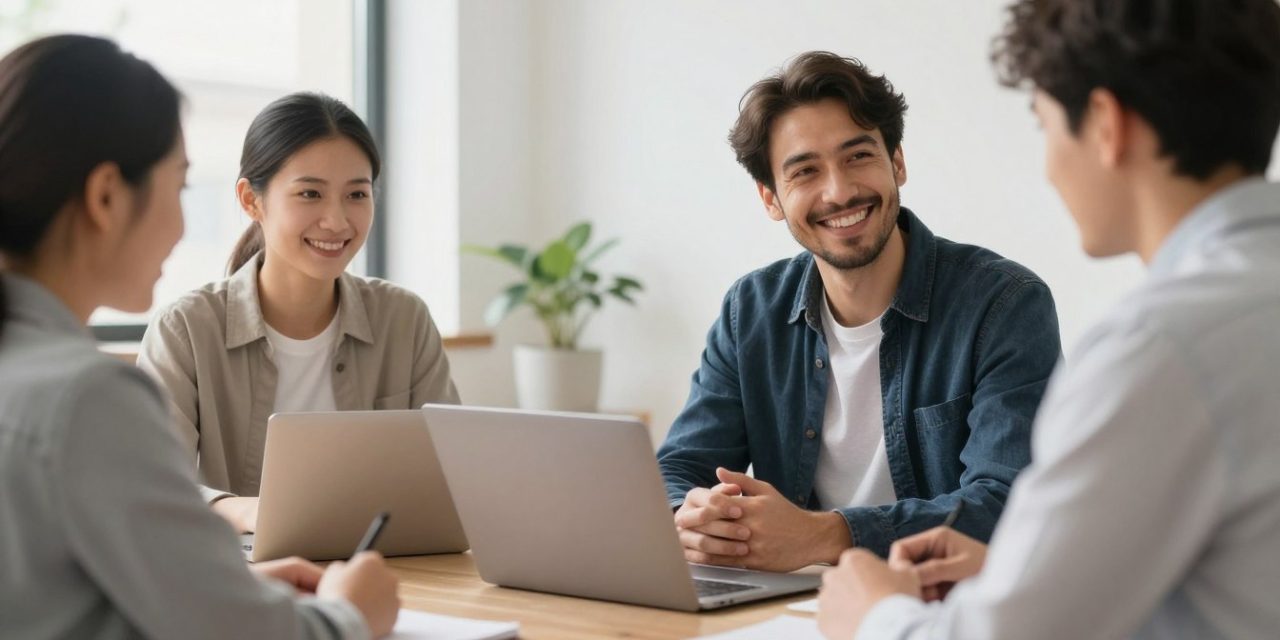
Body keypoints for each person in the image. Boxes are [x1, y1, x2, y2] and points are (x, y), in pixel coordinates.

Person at [817, 0, 1280, 637]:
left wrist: (873, 614)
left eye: (1044, 126)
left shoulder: (1157, 348)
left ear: (1105, 124)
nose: (1049, 168)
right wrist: (1024, 571)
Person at [0, 34, 400, 639]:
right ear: (106, 196)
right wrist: (349, 616)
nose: (184, 224)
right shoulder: (90, 398)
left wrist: (219, 586)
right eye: (181, 186)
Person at [656, 51, 1062, 571]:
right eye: (805, 171)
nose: (839, 191)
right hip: (790, 608)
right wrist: (690, 515)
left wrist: (825, 535)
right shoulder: (750, 311)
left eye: (858, 157)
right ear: (771, 198)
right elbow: (682, 465)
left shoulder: (1003, 304)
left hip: (938, 607)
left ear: (897, 163)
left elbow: (1008, 503)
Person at [138, 92, 460, 533]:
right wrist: (246, 511)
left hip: (387, 569)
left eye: (356, 194)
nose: (337, 221)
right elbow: (149, 486)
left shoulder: (404, 320)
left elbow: (453, 473)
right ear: (251, 200)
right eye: (310, 193)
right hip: (243, 574)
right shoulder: (186, 329)